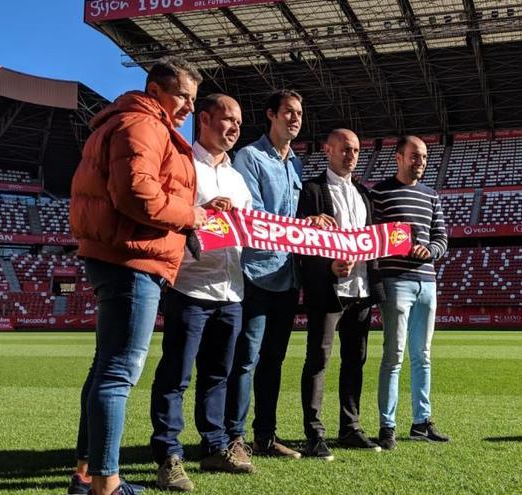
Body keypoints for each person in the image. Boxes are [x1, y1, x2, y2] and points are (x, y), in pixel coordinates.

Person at [68, 56, 205, 495]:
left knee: (105, 368)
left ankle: (86, 474)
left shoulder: (133, 122)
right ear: (154, 90)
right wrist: (191, 215)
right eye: (182, 95)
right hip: (132, 260)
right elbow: (136, 194)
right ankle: (106, 484)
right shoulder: (143, 124)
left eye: (191, 97)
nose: (187, 106)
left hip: (123, 255)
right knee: (118, 372)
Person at [148, 94, 254, 492]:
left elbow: (250, 229)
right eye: (228, 120)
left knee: (218, 376)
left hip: (231, 290)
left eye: (239, 124)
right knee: (176, 375)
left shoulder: (238, 178)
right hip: (190, 286)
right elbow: (166, 215)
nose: (234, 129)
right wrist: (204, 210)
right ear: (205, 119)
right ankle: (168, 456)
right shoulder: (181, 165)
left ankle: (213, 446)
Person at [225, 89, 334, 459]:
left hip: (288, 276)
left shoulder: (296, 165)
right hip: (255, 273)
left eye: (299, 113)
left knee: (273, 360)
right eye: (288, 112)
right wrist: (305, 224)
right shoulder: (249, 157)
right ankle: (233, 438)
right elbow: (252, 217)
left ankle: (265, 437)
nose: (295, 118)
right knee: (246, 359)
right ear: (271, 114)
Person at [296, 129, 385, 460]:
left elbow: (372, 241)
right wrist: (327, 267)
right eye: (346, 149)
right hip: (328, 290)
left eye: (357, 150)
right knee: (318, 360)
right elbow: (299, 241)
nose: (352, 154)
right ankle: (314, 433)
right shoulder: (312, 190)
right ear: (328, 150)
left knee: (355, 361)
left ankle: (350, 428)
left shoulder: (364, 194)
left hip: (361, 290)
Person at [372, 135, 450, 451]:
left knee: (423, 356)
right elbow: (372, 237)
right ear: (399, 157)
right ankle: (386, 426)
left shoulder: (432, 196)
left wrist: (429, 249)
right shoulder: (379, 193)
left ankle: (421, 422)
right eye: (415, 156)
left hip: (427, 281)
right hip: (396, 282)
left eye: (425, 157)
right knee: (394, 356)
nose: (420, 162)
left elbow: (442, 238)